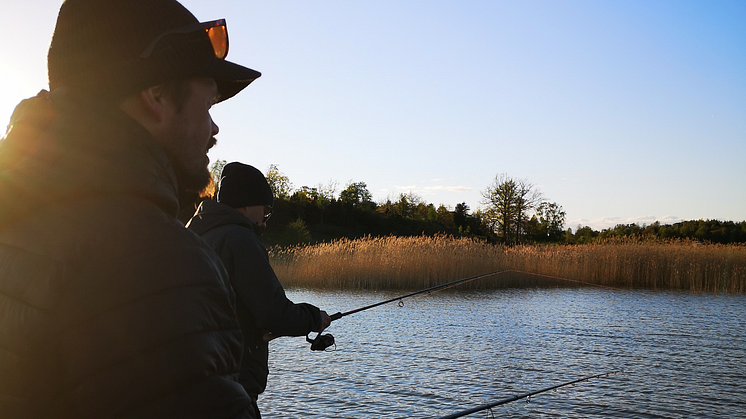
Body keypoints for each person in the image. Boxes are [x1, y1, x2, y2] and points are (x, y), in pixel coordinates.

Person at [0, 1, 262, 418]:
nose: (214, 130)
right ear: (156, 94)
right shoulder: (155, 259)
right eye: (208, 104)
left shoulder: (17, 220)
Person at [187, 162, 332, 418]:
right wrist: (314, 318)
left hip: (199, 379)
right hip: (233, 386)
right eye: (265, 211)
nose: (265, 221)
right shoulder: (241, 239)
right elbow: (273, 312)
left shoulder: (196, 235)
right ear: (246, 204)